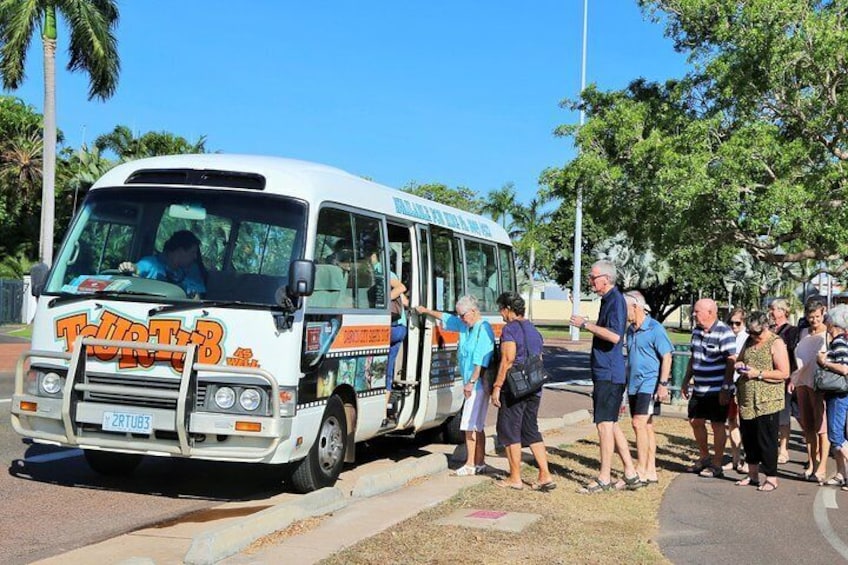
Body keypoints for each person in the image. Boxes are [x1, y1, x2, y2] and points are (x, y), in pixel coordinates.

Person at [570, 260, 639, 493]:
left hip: (610, 372)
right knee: (611, 423)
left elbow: (614, 336)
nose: (591, 280)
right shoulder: (608, 301)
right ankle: (630, 472)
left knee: (604, 425)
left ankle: (604, 477)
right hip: (607, 372)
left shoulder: (615, 301)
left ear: (606, 279)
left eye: (593, 277)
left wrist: (585, 324)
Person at [416, 295, 494, 476]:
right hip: (472, 383)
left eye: (463, 315)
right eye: (459, 315)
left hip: (477, 385)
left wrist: (471, 383)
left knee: (468, 424)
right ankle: (479, 462)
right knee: (477, 425)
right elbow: (446, 318)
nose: (460, 318)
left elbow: (481, 359)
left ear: (473, 312)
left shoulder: (483, 328)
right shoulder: (465, 326)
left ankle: (470, 463)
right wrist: (426, 311)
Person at [490, 291, 555, 491]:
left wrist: (497, 386)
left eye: (502, 309)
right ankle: (545, 474)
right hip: (534, 387)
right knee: (530, 429)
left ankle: (515, 477)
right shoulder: (534, 330)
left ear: (509, 310)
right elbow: (540, 358)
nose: (501, 314)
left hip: (514, 387)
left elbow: (508, 360)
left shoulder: (509, 330)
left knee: (509, 431)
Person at [731, 311, 791, 491]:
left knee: (767, 439)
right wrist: (739, 365)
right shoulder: (749, 341)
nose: (754, 336)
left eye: (757, 333)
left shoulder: (776, 342)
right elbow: (739, 360)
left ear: (766, 326)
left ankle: (771, 477)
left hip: (768, 400)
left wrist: (758, 373)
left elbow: (784, 373)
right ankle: (752, 475)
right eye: (750, 333)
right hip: (748, 399)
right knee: (749, 438)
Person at [681, 298, 736, 478]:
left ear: (710, 313)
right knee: (695, 421)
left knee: (717, 425)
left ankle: (717, 463)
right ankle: (704, 457)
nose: (694, 315)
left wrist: (725, 388)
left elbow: (731, 361)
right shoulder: (696, 331)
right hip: (699, 387)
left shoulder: (724, 332)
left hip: (717, 388)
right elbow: (693, 357)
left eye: (697, 312)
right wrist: (686, 379)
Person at [624, 290, 672, 486]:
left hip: (649, 384)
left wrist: (663, 384)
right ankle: (651, 469)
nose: (623, 312)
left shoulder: (655, 328)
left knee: (638, 424)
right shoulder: (630, 330)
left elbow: (667, 356)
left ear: (635, 307)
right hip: (633, 384)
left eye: (625, 308)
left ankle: (641, 469)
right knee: (647, 426)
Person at [790, 300, 829, 482]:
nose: (814, 320)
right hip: (802, 383)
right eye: (810, 316)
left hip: (820, 385)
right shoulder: (803, 332)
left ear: (823, 313)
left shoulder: (828, 334)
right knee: (808, 427)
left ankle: (822, 467)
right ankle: (812, 463)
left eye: (817, 316)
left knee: (822, 428)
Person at [816, 303, 848, 490]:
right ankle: (840, 473)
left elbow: (844, 368)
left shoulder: (839, 342)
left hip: (839, 393)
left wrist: (824, 362)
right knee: (838, 434)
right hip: (837, 393)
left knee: (836, 435)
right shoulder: (840, 341)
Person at [119, 230, 206, 296]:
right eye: (192, 252)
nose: (195, 257)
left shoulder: (192, 270)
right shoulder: (151, 264)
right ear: (180, 251)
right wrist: (130, 267)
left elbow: (199, 296)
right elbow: (137, 268)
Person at [769, 298, 799, 464]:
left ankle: (784, 449)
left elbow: (795, 356)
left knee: (784, 416)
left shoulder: (792, 331)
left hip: (786, 378)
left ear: (782, 311)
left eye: (774, 309)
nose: (771, 313)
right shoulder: (769, 330)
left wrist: (793, 377)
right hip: (770, 376)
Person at [723, 307, 749, 474]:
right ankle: (735, 458)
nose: (733, 326)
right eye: (731, 323)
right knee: (731, 422)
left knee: (745, 423)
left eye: (737, 323)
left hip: (743, 384)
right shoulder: (727, 337)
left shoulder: (747, 338)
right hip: (728, 385)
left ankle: (749, 459)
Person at [384, 254, 408, 426]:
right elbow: (405, 302)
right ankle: (384, 409)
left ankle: (383, 409)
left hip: (392, 327)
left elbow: (401, 288)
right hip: (401, 327)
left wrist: (384, 301)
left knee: (381, 369)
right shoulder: (391, 272)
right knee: (388, 368)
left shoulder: (382, 271)